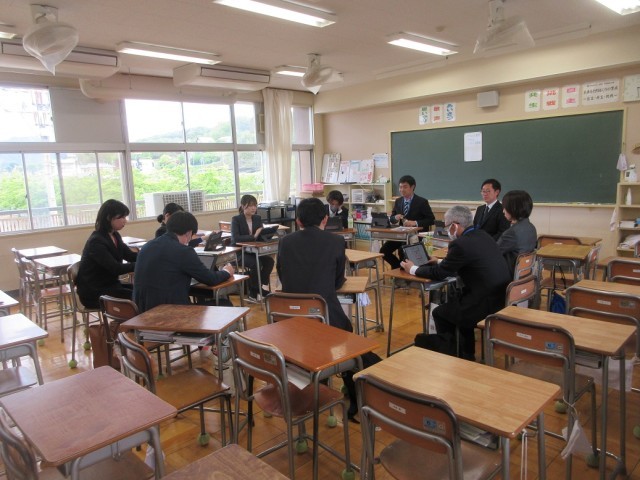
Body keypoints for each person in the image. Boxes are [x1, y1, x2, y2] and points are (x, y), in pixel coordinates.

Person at [277, 197, 381, 421]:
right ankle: (357, 398)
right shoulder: (335, 241)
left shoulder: (285, 242)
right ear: (325, 219)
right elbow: (337, 281)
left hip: (290, 323)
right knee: (349, 338)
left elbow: (283, 276)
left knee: (333, 333)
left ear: (298, 220)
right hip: (324, 320)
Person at [400, 205, 511, 360]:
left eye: (447, 226)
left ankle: (452, 356)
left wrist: (412, 268)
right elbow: (466, 262)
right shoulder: (483, 235)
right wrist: (440, 261)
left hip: (483, 304)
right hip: (499, 299)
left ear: (455, 225)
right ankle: (467, 353)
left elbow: (440, 273)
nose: (447, 231)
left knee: (439, 313)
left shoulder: (460, 244)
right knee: (456, 306)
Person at [133, 211, 234, 312]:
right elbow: (210, 279)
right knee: (225, 304)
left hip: (142, 312)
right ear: (189, 233)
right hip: (169, 312)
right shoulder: (183, 251)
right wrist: (226, 271)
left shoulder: (147, 246)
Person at [76, 199, 138, 309]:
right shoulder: (96, 241)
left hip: (109, 285)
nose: (125, 221)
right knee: (139, 296)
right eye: (122, 217)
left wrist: (148, 255)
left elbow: (130, 256)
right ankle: (133, 320)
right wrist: (141, 264)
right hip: (94, 292)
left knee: (142, 289)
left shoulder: (115, 235)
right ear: (109, 217)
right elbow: (116, 268)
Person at [380, 175, 435, 269]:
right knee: (384, 251)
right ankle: (398, 268)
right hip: (401, 235)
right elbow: (392, 218)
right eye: (400, 187)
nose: (402, 190)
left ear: (412, 187)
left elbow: (431, 219)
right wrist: (395, 218)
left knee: (402, 250)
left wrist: (415, 223)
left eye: (405, 187)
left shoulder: (422, 202)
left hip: (416, 236)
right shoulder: (398, 201)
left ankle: (404, 270)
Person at [230, 194, 275, 300]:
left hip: (253, 251)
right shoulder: (236, 219)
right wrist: (254, 236)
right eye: (250, 205)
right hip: (239, 253)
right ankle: (254, 291)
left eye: (255, 205)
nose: (253, 208)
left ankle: (258, 287)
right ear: (243, 206)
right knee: (256, 263)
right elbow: (235, 238)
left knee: (269, 261)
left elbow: (260, 236)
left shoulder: (257, 218)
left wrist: (267, 234)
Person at [497, 190, 537, 275]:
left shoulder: (512, 233)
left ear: (513, 208)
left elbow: (493, 253)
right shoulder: (531, 227)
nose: (503, 211)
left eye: (505, 207)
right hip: (526, 274)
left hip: (509, 274)